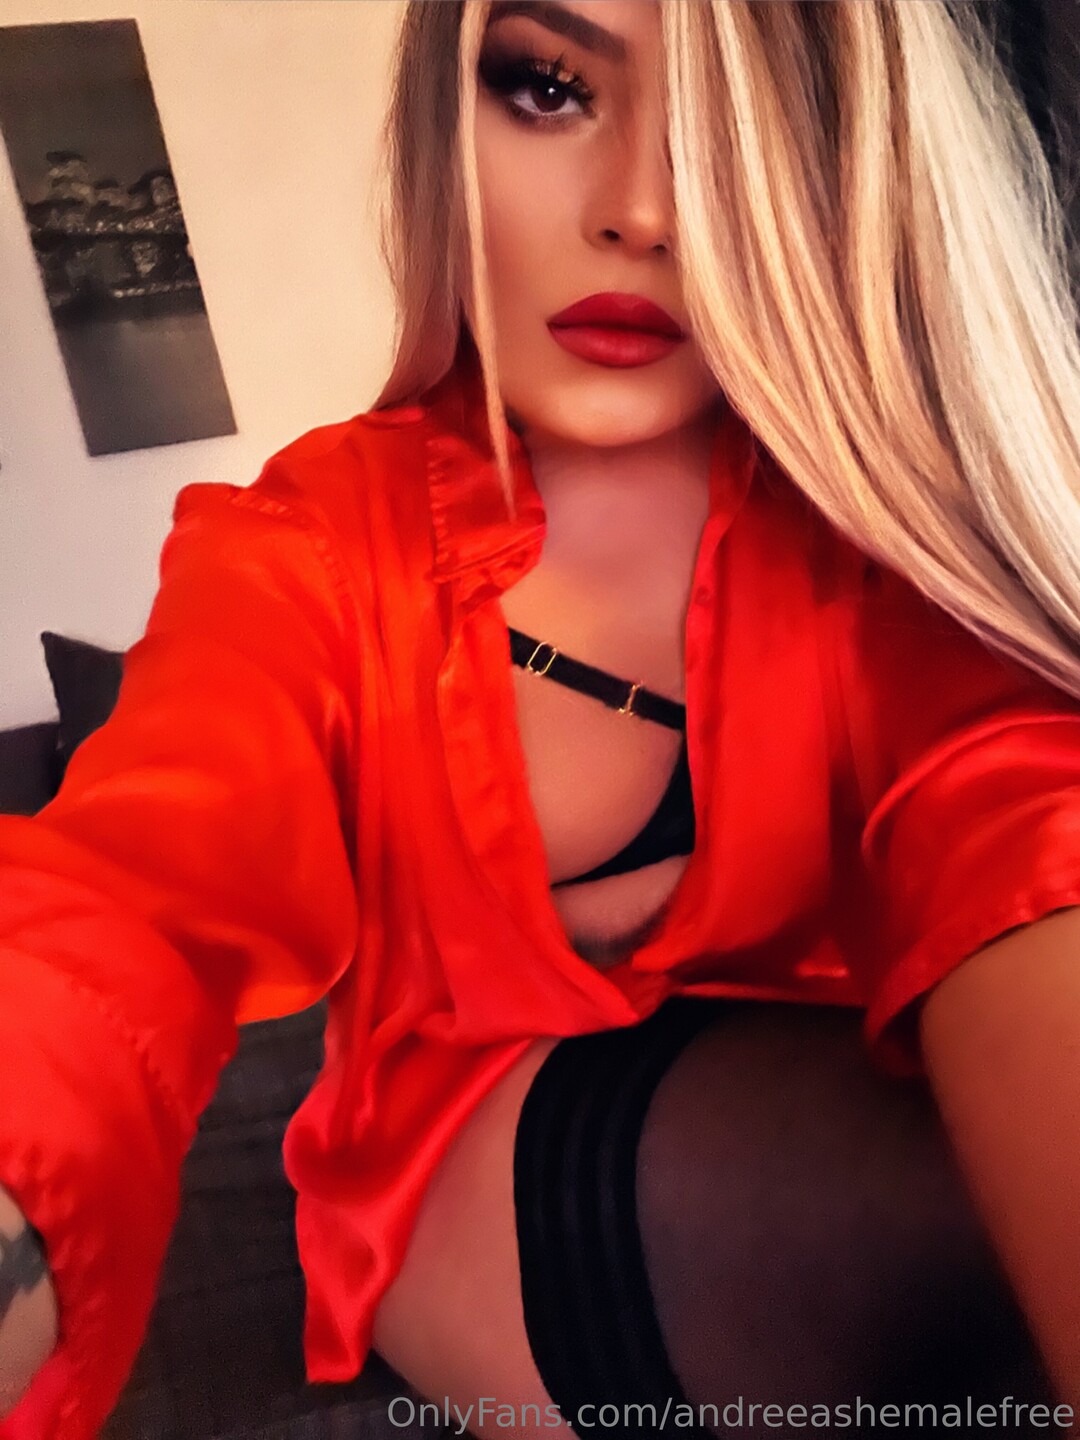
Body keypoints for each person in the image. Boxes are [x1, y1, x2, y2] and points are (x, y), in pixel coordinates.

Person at [2, 0, 1080, 1436]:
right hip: (474, 1167)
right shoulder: (313, 546)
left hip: (841, 1094)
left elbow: (1028, 821)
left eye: (725, 126)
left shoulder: (890, 546)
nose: (642, 210)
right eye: (551, 87)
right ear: (443, 124)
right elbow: (134, 893)